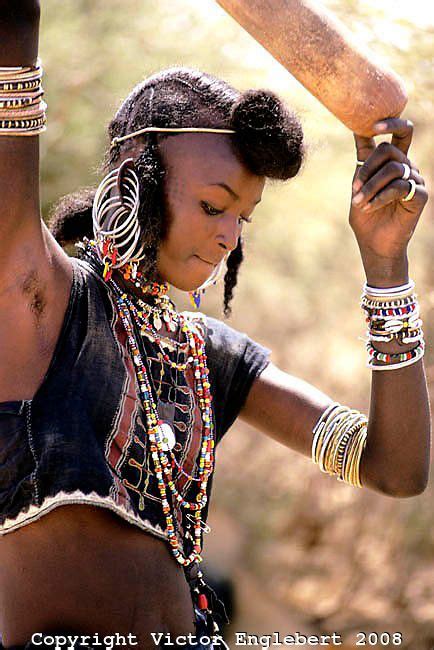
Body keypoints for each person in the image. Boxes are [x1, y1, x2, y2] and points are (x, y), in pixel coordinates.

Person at [0, 2, 430, 649]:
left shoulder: (211, 360)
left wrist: (386, 264)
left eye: (243, 218)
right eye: (213, 205)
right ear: (136, 178)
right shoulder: (39, 294)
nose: (227, 235)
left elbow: (395, 470)